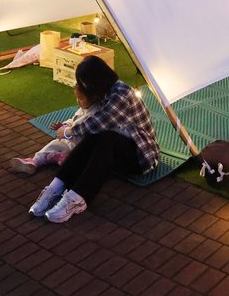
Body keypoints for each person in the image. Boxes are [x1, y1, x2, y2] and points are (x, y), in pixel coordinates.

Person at [27, 56, 159, 224]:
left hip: (142, 157)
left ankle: (76, 199)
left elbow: (100, 122)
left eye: (84, 82)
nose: (83, 86)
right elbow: (92, 123)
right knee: (96, 138)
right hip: (120, 153)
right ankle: (54, 188)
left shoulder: (121, 94)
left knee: (106, 137)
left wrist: (68, 131)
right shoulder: (105, 93)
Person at [9, 88, 93, 175]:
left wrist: (65, 132)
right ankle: (37, 161)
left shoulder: (92, 116)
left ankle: (55, 158)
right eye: (77, 98)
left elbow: (81, 133)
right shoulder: (82, 109)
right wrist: (64, 125)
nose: (78, 101)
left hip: (79, 146)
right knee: (54, 145)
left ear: (93, 98)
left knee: (57, 145)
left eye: (81, 98)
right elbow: (73, 120)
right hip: (70, 142)